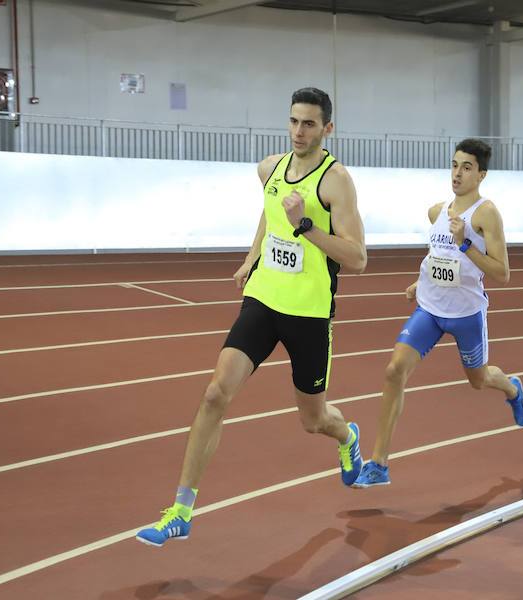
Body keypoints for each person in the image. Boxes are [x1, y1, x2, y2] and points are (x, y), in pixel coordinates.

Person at [136, 87, 367, 546]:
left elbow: (357, 257)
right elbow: (269, 216)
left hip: (308, 314)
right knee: (215, 394)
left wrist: (307, 225)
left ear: (327, 129)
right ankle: (181, 509)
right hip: (263, 299)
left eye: (309, 124)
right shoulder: (270, 168)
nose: (299, 131)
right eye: (294, 121)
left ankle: (347, 436)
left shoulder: (335, 181)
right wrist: (251, 258)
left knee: (313, 420)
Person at [352, 138, 523, 488]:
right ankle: (379, 464)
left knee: (478, 380)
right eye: (454, 165)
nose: (458, 173)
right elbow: (438, 256)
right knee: (394, 371)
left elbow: (502, 273)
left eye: (466, 167)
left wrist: (466, 240)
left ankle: (511, 388)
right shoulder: (437, 211)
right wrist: (420, 284)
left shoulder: (486, 213)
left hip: (466, 315)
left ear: (481, 174)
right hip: (431, 309)